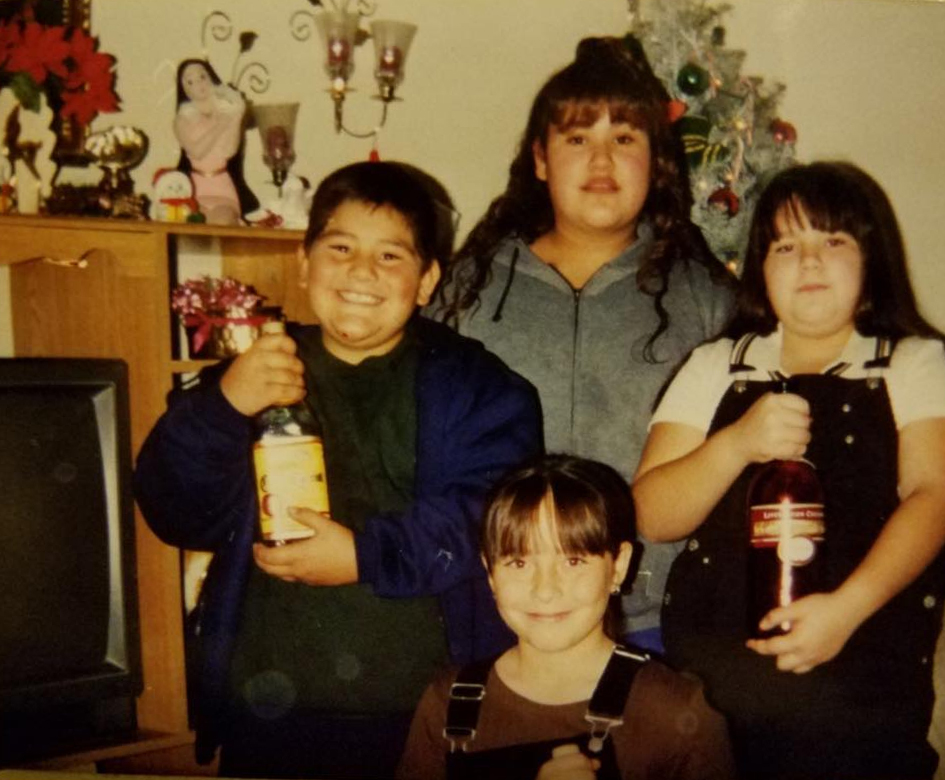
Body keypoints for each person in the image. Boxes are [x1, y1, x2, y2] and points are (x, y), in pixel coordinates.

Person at [133, 160, 543, 779]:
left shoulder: (481, 388)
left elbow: (489, 518)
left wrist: (366, 556)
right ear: (304, 260)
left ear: (428, 279)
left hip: (424, 718)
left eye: (390, 257)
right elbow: (173, 510)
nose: (360, 272)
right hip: (268, 713)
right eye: (341, 247)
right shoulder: (250, 375)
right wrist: (222, 407)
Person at [633, 161, 945, 779]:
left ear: (871, 263)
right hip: (712, 692)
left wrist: (846, 611)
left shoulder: (914, 363)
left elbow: (934, 496)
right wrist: (735, 445)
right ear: (759, 271)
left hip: (862, 677)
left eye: (833, 241)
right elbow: (652, 514)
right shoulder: (716, 364)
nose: (809, 261)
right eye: (785, 245)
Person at [433, 36, 734, 653]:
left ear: (657, 162)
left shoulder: (706, 299)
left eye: (625, 139)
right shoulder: (470, 289)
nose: (602, 161)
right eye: (577, 139)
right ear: (540, 159)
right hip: (500, 612)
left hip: (655, 618)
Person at [397, 453, 735, 780]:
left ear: (618, 566)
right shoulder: (448, 703)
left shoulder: (673, 711)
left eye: (573, 561)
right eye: (519, 563)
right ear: (490, 574)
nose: (545, 590)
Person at [174, 58, 259, 225]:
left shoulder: (224, 111)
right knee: (190, 223)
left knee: (223, 221)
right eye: (190, 81)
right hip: (193, 189)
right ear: (185, 89)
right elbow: (196, 151)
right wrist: (220, 125)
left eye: (202, 77)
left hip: (222, 188)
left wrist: (236, 115)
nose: (199, 84)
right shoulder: (182, 119)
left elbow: (228, 151)